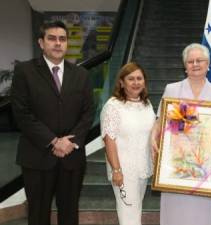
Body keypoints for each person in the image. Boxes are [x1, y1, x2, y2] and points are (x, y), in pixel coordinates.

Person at [10, 21, 94, 225]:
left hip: (71, 157)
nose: (58, 43)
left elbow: (88, 112)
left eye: (62, 39)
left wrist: (68, 142)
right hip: (37, 156)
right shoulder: (25, 71)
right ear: (41, 42)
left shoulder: (81, 74)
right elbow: (21, 113)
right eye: (52, 38)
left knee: (69, 214)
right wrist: (53, 141)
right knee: (38, 215)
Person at [151, 43, 211, 225]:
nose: (195, 64)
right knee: (174, 215)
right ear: (185, 66)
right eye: (190, 61)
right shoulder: (172, 90)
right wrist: (152, 138)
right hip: (175, 167)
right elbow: (159, 121)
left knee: (201, 216)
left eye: (200, 60)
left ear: (208, 64)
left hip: (204, 171)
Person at [100, 62, 155, 225]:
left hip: (142, 168)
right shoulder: (113, 106)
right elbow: (109, 139)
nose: (136, 82)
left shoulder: (147, 104)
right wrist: (116, 170)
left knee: (135, 211)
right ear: (122, 83)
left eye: (139, 78)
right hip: (123, 171)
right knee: (128, 215)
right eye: (131, 79)